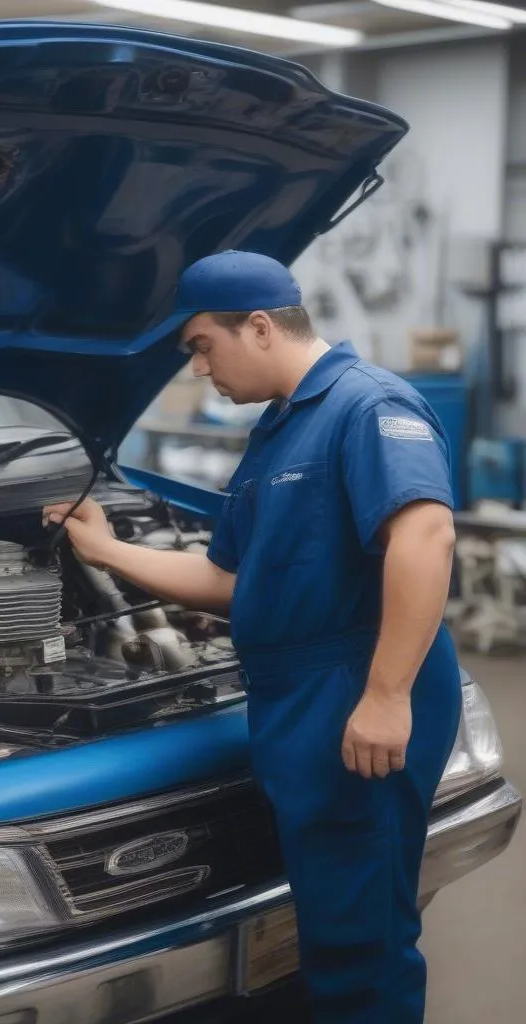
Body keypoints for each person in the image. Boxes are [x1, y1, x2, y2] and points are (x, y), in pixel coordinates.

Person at [43, 250, 462, 1024]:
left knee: (362, 943)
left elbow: (427, 536)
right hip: (300, 698)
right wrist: (104, 552)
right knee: (329, 922)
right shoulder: (277, 431)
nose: (200, 368)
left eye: (202, 345)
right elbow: (229, 581)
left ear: (260, 327)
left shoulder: (365, 407)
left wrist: (385, 694)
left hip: (353, 686)